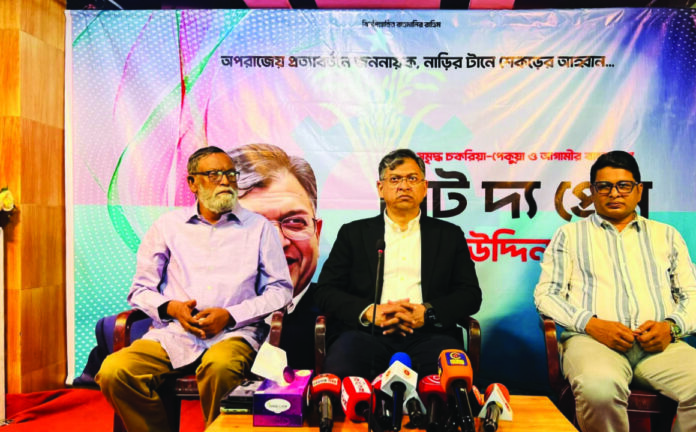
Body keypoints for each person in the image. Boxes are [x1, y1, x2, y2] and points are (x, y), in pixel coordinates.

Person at [534, 150, 696, 432]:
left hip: (661, 347)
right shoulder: (569, 236)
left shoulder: (666, 235)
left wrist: (672, 327)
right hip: (593, 344)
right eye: (604, 186)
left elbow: (695, 296)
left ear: (639, 190)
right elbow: (546, 294)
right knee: (598, 388)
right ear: (592, 192)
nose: (614, 193)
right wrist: (592, 324)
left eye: (624, 185)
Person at [96, 146, 293, 431]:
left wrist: (231, 315)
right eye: (214, 174)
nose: (225, 181)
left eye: (230, 174)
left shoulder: (259, 227)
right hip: (174, 333)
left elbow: (280, 291)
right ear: (192, 182)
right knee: (115, 371)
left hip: (233, 335)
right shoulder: (168, 226)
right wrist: (171, 308)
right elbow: (140, 289)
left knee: (220, 367)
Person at [314, 148, 482, 379]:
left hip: (431, 336)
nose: (404, 186)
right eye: (395, 179)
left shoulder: (449, 235)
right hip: (365, 335)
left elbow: (470, 295)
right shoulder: (353, 233)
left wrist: (428, 313)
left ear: (424, 187)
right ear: (380, 188)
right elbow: (325, 291)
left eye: (412, 178)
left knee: (451, 387)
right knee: (341, 374)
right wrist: (369, 312)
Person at [229, 143, 322, 370]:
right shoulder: (195, 313)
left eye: (294, 222)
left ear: (317, 233)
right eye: (253, 224)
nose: (278, 242)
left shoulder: (340, 320)